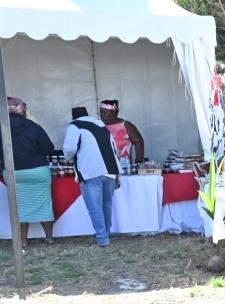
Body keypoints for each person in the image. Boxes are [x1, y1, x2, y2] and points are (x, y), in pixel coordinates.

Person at [62, 106, 120, 247]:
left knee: (95, 208)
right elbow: (114, 148)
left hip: (91, 171)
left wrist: (68, 157)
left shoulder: (74, 125)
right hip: (111, 170)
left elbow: (69, 148)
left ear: (73, 116)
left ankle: (102, 239)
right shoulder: (101, 124)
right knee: (106, 206)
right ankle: (106, 234)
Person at [1, 97, 55, 246]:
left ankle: (23, 241)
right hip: (37, 171)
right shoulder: (33, 127)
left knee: (19, 207)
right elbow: (48, 148)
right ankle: (49, 238)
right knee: (44, 205)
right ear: (23, 110)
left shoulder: (2, 128)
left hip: (13, 173)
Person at [98, 100, 144, 168]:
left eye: (105, 112)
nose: (102, 115)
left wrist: (138, 161)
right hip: (102, 167)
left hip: (123, 166)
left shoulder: (125, 125)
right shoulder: (98, 125)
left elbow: (138, 141)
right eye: (101, 112)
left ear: (113, 112)